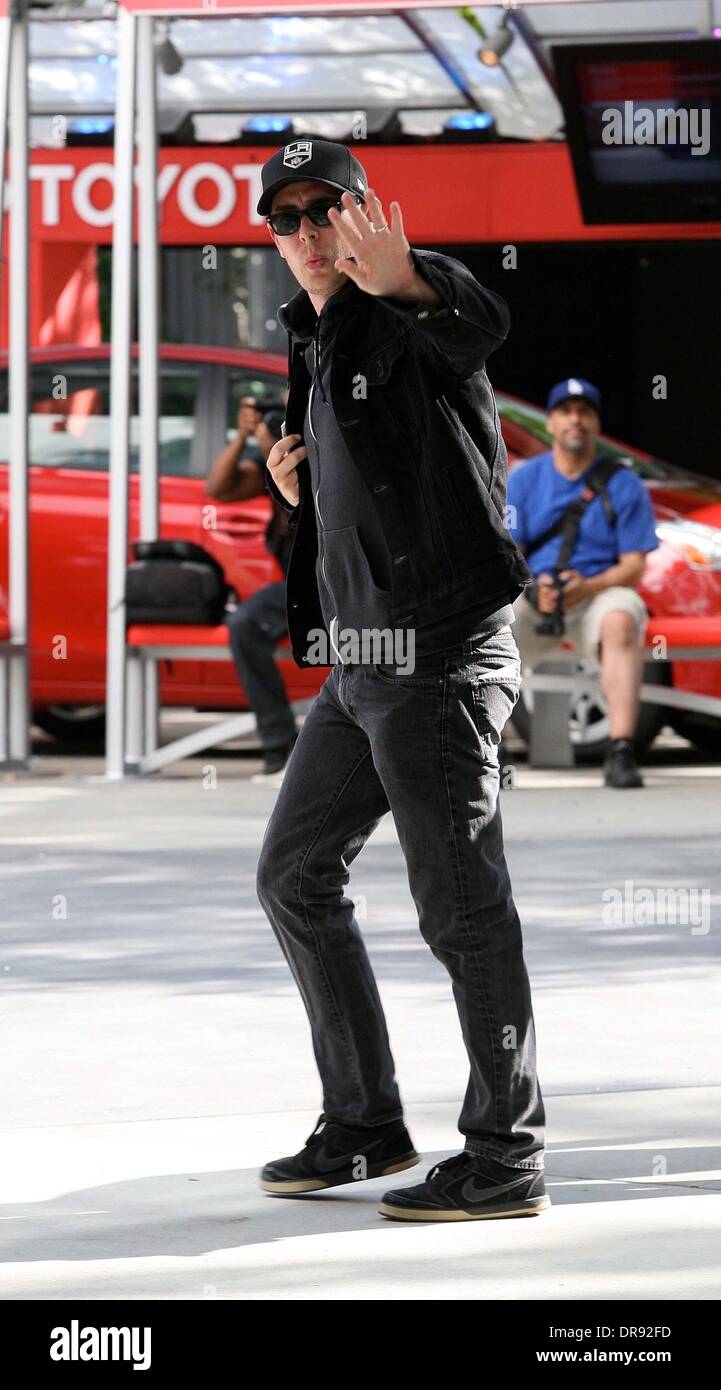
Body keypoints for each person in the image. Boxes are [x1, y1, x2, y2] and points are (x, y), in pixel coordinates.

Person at [253, 138, 549, 1222]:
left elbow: (477, 327)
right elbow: (377, 497)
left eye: (323, 209)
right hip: (359, 660)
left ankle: (505, 1153)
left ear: (367, 214)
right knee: (292, 874)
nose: (307, 235)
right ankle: (366, 1122)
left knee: (461, 911)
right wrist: (299, 496)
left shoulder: (409, 308)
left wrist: (412, 278)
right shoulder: (315, 337)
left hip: (435, 656)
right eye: (284, 221)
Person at [507, 378, 659, 788]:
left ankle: (621, 749)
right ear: (551, 424)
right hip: (535, 594)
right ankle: (487, 750)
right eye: (565, 411)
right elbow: (507, 553)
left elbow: (634, 566)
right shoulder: (522, 479)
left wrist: (587, 586)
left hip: (598, 592)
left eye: (585, 411)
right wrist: (535, 588)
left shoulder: (623, 482)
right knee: (487, 622)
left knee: (620, 619)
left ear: (596, 424)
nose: (575, 419)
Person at [205, 398, 299, 779]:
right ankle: (280, 744)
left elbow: (299, 488)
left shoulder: (322, 463)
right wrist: (243, 435)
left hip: (336, 585)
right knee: (244, 624)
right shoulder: (266, 468)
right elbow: (219, 486)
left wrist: (276, 449)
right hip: (297, 592)